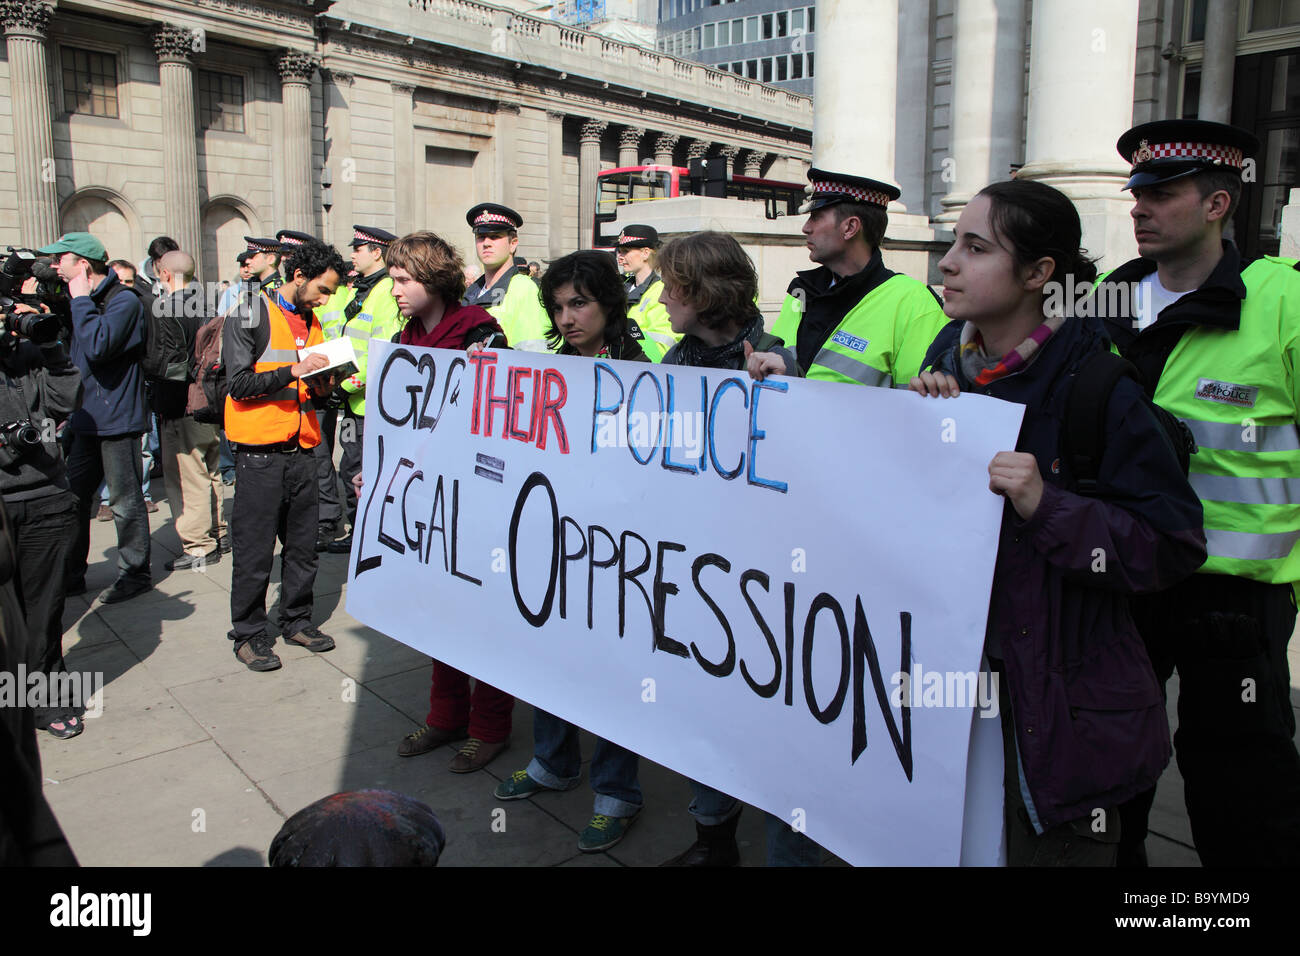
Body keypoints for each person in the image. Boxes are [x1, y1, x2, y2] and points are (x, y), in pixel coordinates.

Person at [910, 178, 1206, 866]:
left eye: (975, 247)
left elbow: (1171, 546)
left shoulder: (1101, 388)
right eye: (953, 242)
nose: (946, 262)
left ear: (1040, 273)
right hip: (954, 712)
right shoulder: (943, 363)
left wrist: (1051, 506)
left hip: (1066, 729)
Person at [1092, 119, 1300, 868]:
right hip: (1120, 579)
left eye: (1161, 194)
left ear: (1217, 205)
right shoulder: (1104, 303)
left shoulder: (1282, 301)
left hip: (1233, 598)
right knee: (1112, 768)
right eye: (1137, 193)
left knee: (1240, 783)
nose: (1139, 208)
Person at [645, 232, 810, 868]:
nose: (659, 300)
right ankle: (713, 842)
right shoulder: (671, 365)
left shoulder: (776, 360)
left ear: (704, 292)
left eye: (671, 287)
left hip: (762, 585)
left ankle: (787, 857)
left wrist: (790, 391)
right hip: (690, 576)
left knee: (775, 736)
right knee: (702, 718)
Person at [492, 251, 646, 852]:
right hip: (553, 540)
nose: (567, 318)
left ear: (609, 301)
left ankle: (616, 792)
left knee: (610, 674)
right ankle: (554, 763)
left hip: (616, 551)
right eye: (557, 307)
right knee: (548, 658)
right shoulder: (545, 374)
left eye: (579, 303)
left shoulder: (647, 367)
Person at [385, 231, 513, 773]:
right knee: (437, 613)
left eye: (403, 279)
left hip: (475, 494)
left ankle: (489, 728)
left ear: (433, 279)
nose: (394, 289)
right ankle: (445, 716)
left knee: (480, 616)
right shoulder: (407, 335)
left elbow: (497, 416)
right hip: (425, 497)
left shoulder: (480, 331)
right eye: (393, 279)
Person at [223, 239, 347, 672]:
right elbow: (236, 385)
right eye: (324, 289)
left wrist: (323, 385)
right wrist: (292, 371)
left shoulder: (311, 320)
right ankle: (249, 634)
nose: (326, 299)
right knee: (255, 550)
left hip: (304, 449)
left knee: (302, 546)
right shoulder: (250, 313)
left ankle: (296, 619)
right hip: (260, 453)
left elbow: (305, 387)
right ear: (299, 277)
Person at [42, 232, 153, 605]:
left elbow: (99, 345)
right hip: (85, 417)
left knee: (124, 501)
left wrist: (80, 301)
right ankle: (72, 574)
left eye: (62, 260)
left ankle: (135, 572)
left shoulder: (124, 302)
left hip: (117, 419)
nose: (56, 266)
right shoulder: (81, 300)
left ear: (83, 265)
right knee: (74, 499)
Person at [765, 168, 947, 385]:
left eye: (815, 217)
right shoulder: (800, 291)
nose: (806, 228)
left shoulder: (914, 304)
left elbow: (919, 408)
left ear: (850, 227)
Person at [0, 277, 84, 738]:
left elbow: (68, 400)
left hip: (46, 499)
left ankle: (45, 698)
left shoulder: (30, 354)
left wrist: (51, 347)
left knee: (45, 610)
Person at [318, 226, 403, 555]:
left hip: (369, 403)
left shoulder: (384, 291)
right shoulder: (363, 289)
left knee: (358, 470)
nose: (352, 253)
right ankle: (361, 532)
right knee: (352, 468)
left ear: (377, 252)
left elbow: (382, 353)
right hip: (355, 401)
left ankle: (366, 535)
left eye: (359, 248)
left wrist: (344, 384)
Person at [152, 251, 227, 569]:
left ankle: (199, 545)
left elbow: (167, 363)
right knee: (210, 471)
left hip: (182, 403)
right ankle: (218, 533)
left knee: (187, 476)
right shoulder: (209, 305)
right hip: (207, 401)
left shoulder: (168, 308)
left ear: (165, 273)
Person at [461, 203, 550, 352]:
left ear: (513, 243)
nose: (486, 243)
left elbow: (536, 354)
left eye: (495, 237)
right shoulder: (470, 293)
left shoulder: (525, 289)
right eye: (480, 237)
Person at [615, 224, 676, 362]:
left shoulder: (661, 291)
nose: (620, 257)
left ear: (645, 253)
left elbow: (661, 350)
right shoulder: (620, 287)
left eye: (625, 251)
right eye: (619, 251)